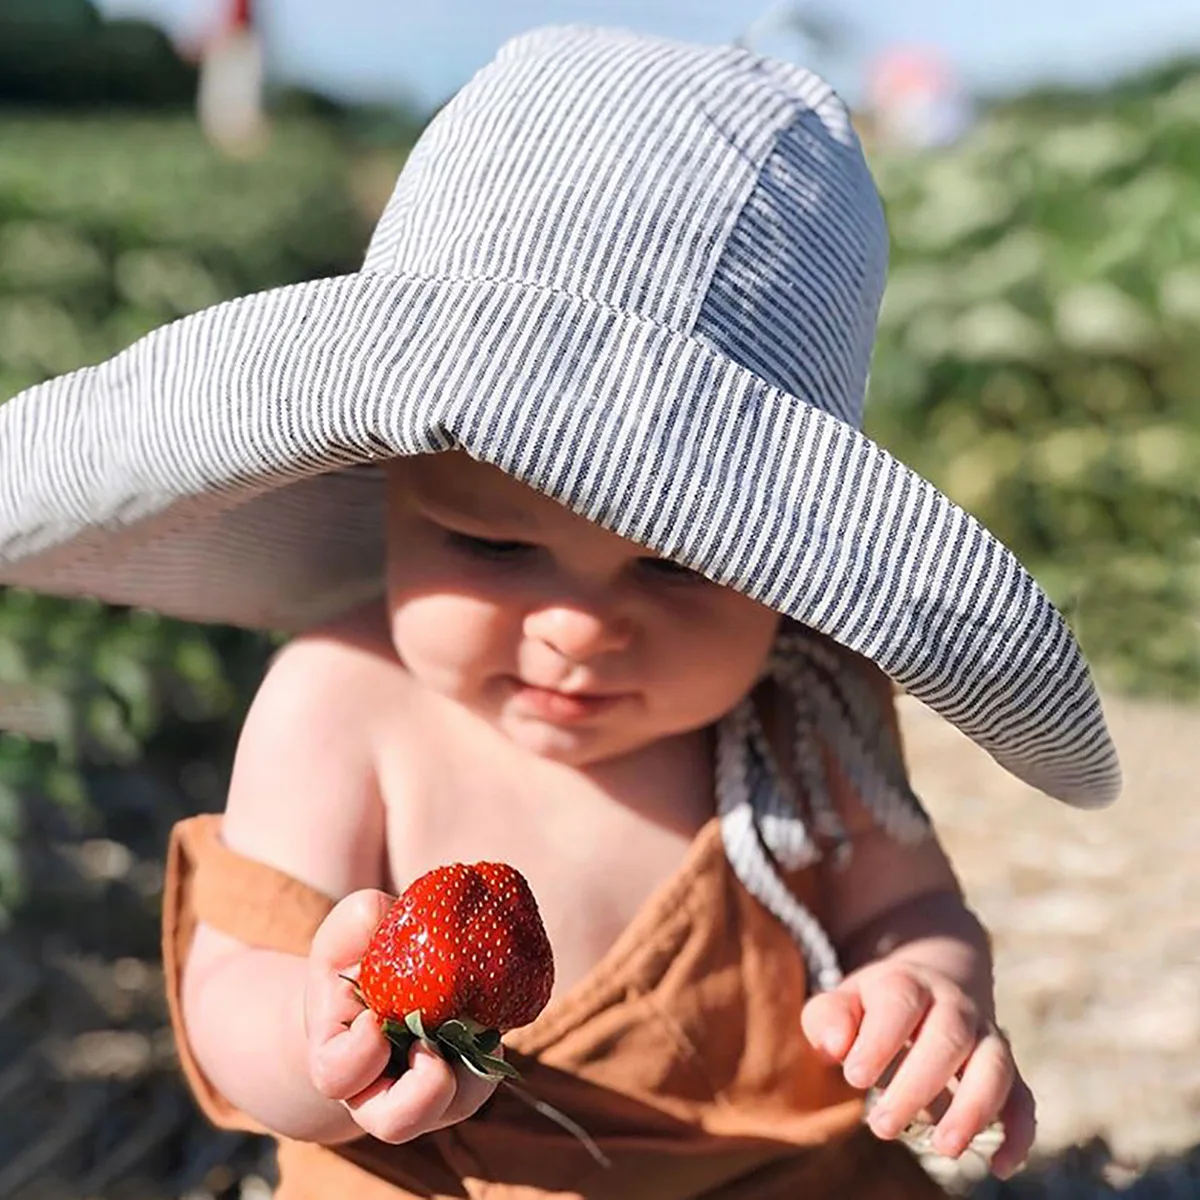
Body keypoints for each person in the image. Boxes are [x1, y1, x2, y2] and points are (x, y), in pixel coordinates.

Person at [0, 24, 1120, 1200]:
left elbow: (909, 904)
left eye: (679, 567)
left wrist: (928, 992)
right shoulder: (344, 698)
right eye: (491, 544)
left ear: (788, 578)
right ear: (385, 490)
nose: (579, 626)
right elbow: (231, 989)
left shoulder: (808, 707)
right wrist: (314, 1036)